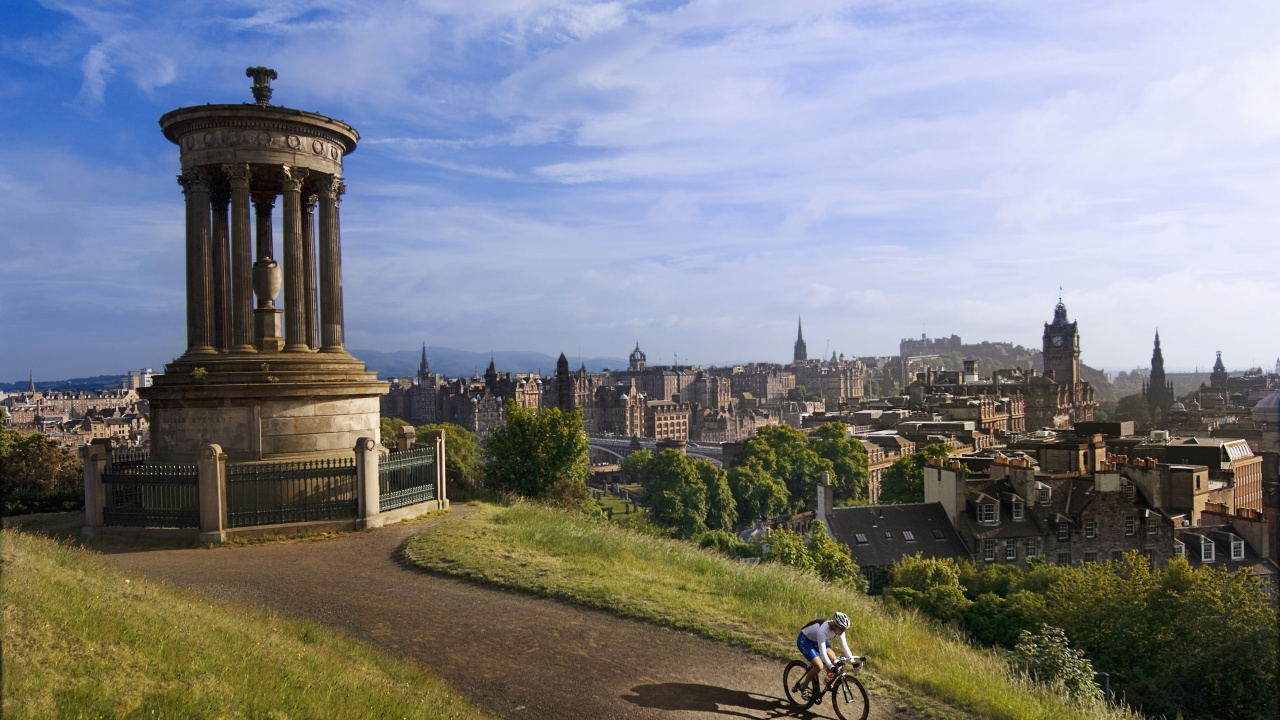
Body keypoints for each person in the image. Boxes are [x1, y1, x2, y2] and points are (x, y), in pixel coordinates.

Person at [792, 612, 853, 702]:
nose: (843, 632)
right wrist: (831, 667)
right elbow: (823, 653)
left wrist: (853, 661)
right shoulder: (823, 630)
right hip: (805, 640)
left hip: (817, 639)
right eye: (841, 629)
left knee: (834, 659)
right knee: (819, 666)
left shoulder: (840, 630)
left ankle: (828, 681)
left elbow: (845, 646)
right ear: (835, 626)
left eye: (845, 630)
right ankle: (803, 686)